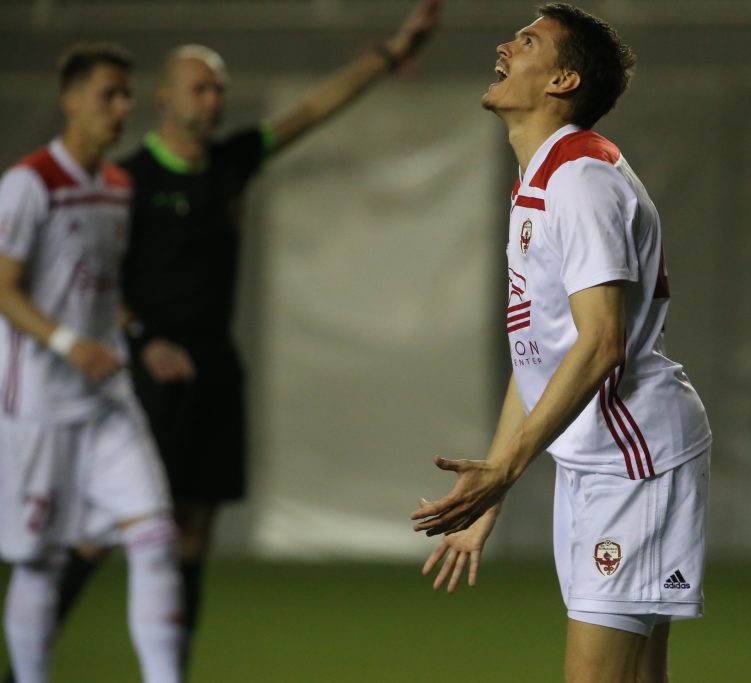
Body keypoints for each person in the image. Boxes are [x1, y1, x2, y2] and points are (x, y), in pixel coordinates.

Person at [4, 0, 442, 678]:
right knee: (96, 532)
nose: (213, 100)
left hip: (211, 368)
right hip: (139, 372)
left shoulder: (231, 162)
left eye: (220, 89)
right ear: (165, 98)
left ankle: (170, 665)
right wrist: (141, 335)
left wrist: (389, 54)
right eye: (200, 88)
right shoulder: (128, 181)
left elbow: (312, 110)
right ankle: (31, 660)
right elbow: (95, 283)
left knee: (189, 534)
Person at [412, 4, 712, 682]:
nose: (504, 46)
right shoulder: (542, 178)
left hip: (632, 458)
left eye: (527, 41)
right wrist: (491, 485)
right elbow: (540, 356)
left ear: (562, 80)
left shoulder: (581, 181)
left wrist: (506, 470)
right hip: (597, 458)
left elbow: (602, 342)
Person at [0, 44, 183, 683]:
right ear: (71, 101)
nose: (122, 107)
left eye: (126, 95)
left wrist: (135, 337)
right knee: (40, 562)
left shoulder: (117, 187)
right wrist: (66, 343)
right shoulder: (29, 184)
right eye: (109, 94)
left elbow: (100, 289)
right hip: (39, 404)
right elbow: (3, 288)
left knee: (155, 535)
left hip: (107, 398)